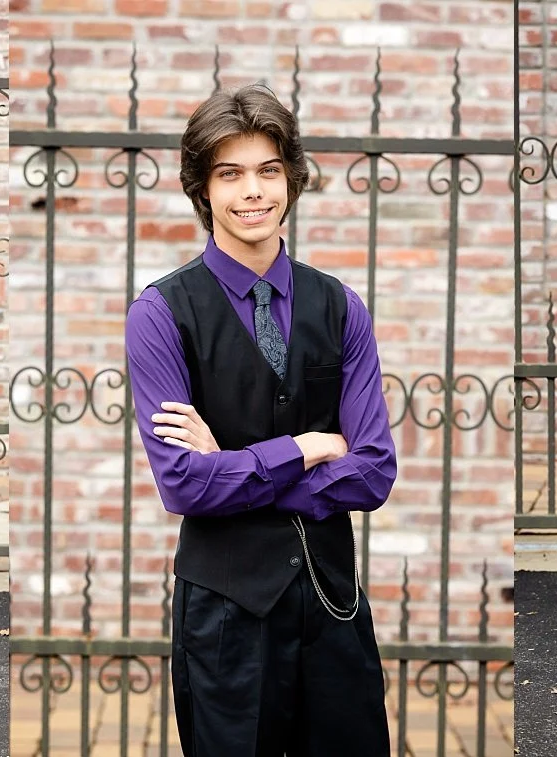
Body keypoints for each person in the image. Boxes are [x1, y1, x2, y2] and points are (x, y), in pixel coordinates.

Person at [125, 84, 397, 756]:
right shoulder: (161, 314)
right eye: (231, 173)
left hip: (333, 606)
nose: (254, 191)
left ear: (292, 178)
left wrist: (234, 465)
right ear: (203, 188)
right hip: (225, 616)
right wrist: (305, 447)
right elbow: (184, 485)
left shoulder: (341, 307)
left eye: (268, 170)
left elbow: (373, 471)